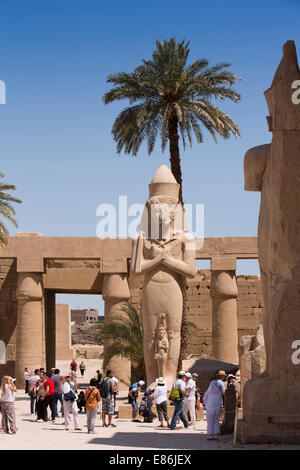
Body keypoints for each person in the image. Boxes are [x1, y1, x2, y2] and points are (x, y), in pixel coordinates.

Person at [203, 370, 226, 440]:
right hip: (217, 403)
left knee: (210, 421)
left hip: (210, 404)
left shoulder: (212, 383)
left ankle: (211, 435)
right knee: (216, 420)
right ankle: (216, 435)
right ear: (222, 376)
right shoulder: (221, 383)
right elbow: (223, 392)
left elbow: (206, 395)